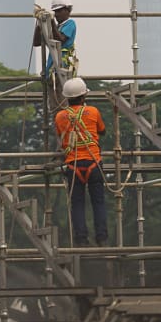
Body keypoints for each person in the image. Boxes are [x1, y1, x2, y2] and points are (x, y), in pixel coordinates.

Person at [54, 77, 107, 247]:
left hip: (73, 165)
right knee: (98, 202)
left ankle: (81, 239)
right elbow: (102, 131)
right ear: (84, 96)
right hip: (94, 163)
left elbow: (61, 139)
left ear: (67, 98)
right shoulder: (93, 111)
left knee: (77, 204)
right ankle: (102, 237)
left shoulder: (60, 116)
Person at [44, 0, 77, 78]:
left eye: (59, 11)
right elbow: (36, 43)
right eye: (55, 12)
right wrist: (40, 24)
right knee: (52, 89)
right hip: (52, 64)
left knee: (59, 88)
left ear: (68, 10)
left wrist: (51, 22)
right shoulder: (57, 27)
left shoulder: (70, 23)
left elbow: (61, 39)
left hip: (62, 64)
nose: (56, 14)